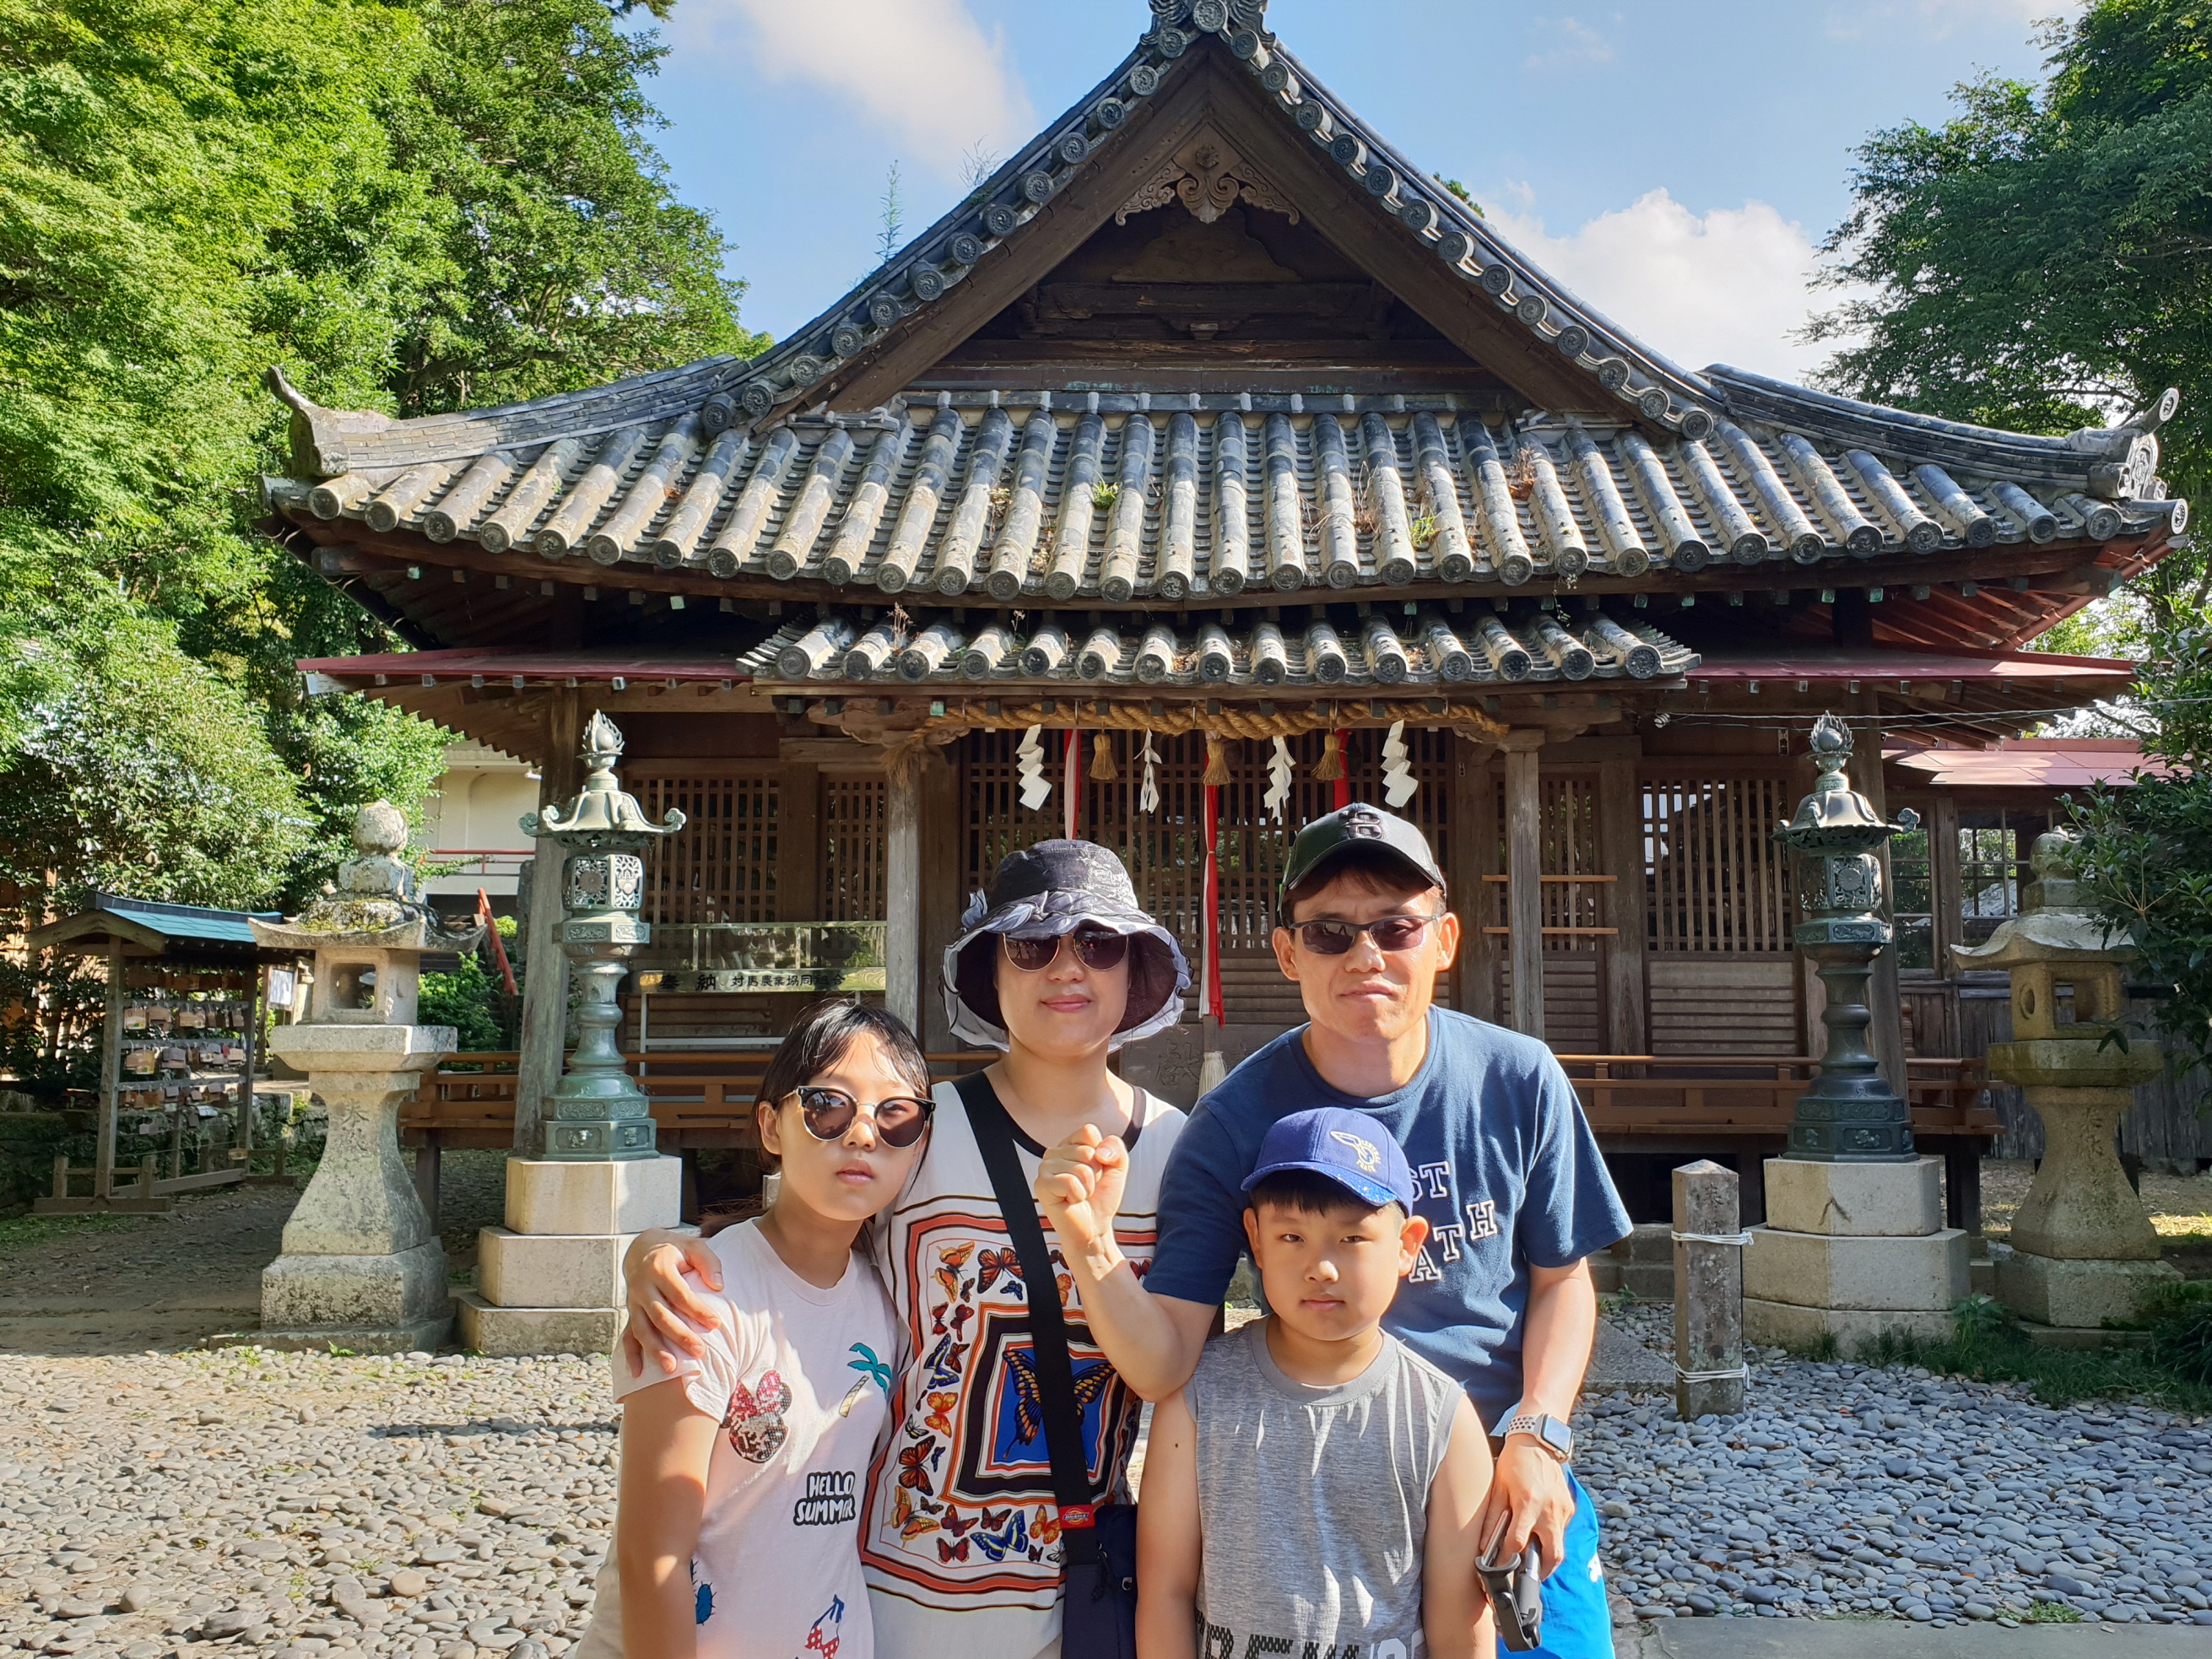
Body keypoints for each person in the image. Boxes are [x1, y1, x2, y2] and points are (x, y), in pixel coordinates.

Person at [1035, 802, 1633, 1659]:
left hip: (1498, 1460)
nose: (1365, 955)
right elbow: (1169, 1353)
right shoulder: (1231, 1122)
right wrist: (1087, 1243)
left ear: (1444, 940)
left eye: (1395, 927)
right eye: (1328, 933)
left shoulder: (1517, 1079)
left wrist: (1540, 1433)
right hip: (1305, 1475)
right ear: (1288, 954)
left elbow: (1561, 1278)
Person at [619, 840, 1193, 1659]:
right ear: (989, 971)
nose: (1067, 968)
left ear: (1132, 967)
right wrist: (657, 1251)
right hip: (899, 1595)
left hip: (1084, 1588)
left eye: (1097, 944)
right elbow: (804, 1237)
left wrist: (1090, 1240)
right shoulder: (913, 1128)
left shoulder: (1177, 1152)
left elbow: (1171, 1374)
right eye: (1032, 946)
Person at [576, 999, 933, 1659]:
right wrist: (647, 1250)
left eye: (896, 1115)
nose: (863, 1134)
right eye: (828, 1106)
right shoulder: (700, 1296)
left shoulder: (893, 1298)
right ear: (771, 1126)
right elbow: (653, 1557)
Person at [1129, 1107, 1495, 1659]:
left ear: (1407, 1244)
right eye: (1291, 1236)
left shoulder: (1441, 1416)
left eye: (1351, 1238)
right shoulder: (1199, 1395)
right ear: (1255, 1238)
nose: (1320, 1267)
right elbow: (1164, 1593)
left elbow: (1458, 1627)